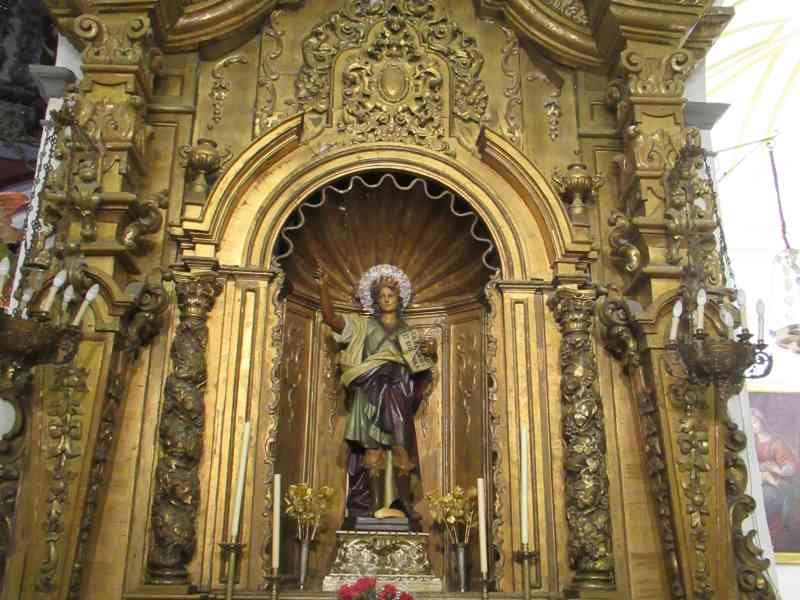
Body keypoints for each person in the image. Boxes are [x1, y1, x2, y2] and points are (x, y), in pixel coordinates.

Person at [317, 264, 436, 524]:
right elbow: (331, 319)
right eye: (381, 296)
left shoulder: (408, 333)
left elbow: (422, 367)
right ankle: (369, 507)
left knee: (401, 448)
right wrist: (324, 286)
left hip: (397, 392)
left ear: (399, 298)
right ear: (375, 300)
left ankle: (403, 504)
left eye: (390, 295)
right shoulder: (362, 325)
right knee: (371, 452)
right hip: (368, 391)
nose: (386, 299)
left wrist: (430, 351)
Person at [752, 407, 799, 533]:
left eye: (755, 422)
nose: (753, 426)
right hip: (756, 480)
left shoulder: (775, 442)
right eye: (749, 423)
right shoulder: (751, 442)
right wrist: (762, 469)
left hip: (777, 483)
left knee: (766, 496)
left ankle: (760, 530)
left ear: (761, 422)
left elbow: (790, 467)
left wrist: (773, 469)